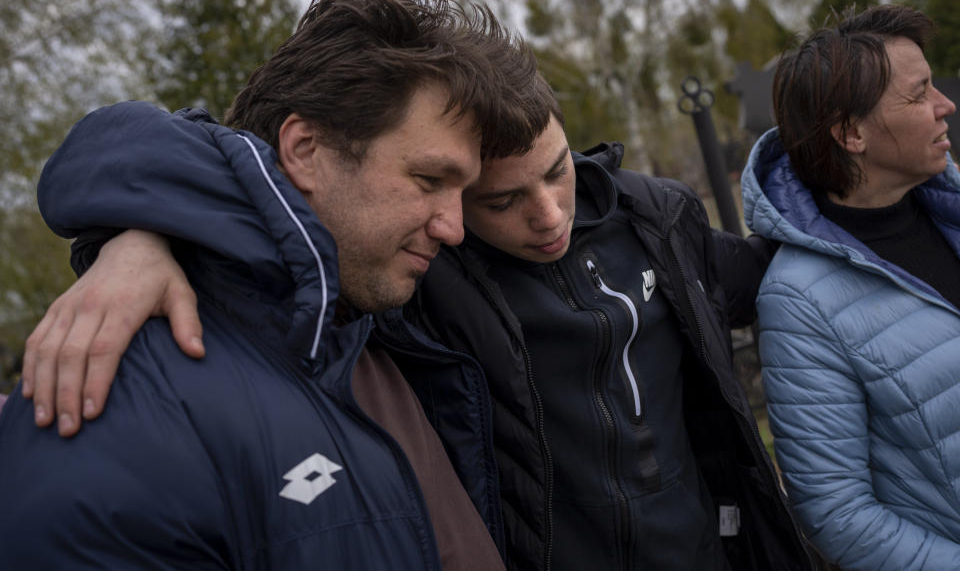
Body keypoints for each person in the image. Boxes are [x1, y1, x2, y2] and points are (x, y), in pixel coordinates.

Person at [15, 86, 817, 567]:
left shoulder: (653, 215)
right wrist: (144, 231)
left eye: (559, 171)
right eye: (497, 200)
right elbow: (242, 175)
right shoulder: (420, 277)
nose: (549, 218)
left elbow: (776, 278)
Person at [0, 0, 549, 569]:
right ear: (306, 149)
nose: (453, 227)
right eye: (428, 181)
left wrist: (143, 227)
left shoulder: (386, 320)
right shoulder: (114, 399)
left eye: (465, 194)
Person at [741, 4, 960, 570]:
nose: (945, 106)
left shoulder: (951, 212)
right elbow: (839, 516)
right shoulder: (800, 300)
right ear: (851, 133)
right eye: (919, 95)